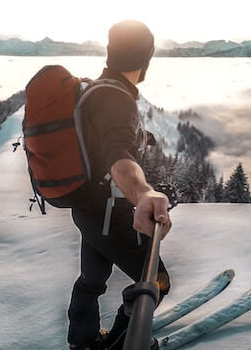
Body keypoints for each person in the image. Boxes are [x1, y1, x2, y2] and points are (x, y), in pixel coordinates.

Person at [68, 20, 173, 350]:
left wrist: (140, 139)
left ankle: (82, 342)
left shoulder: (96, 90)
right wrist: (143, 191)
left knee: (92, 280)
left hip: (87, 209)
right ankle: (116, 344)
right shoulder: (117, 100)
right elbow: (117, 154)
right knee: (155, 282)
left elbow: (108, 143)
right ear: (146, 58)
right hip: (110, 214)